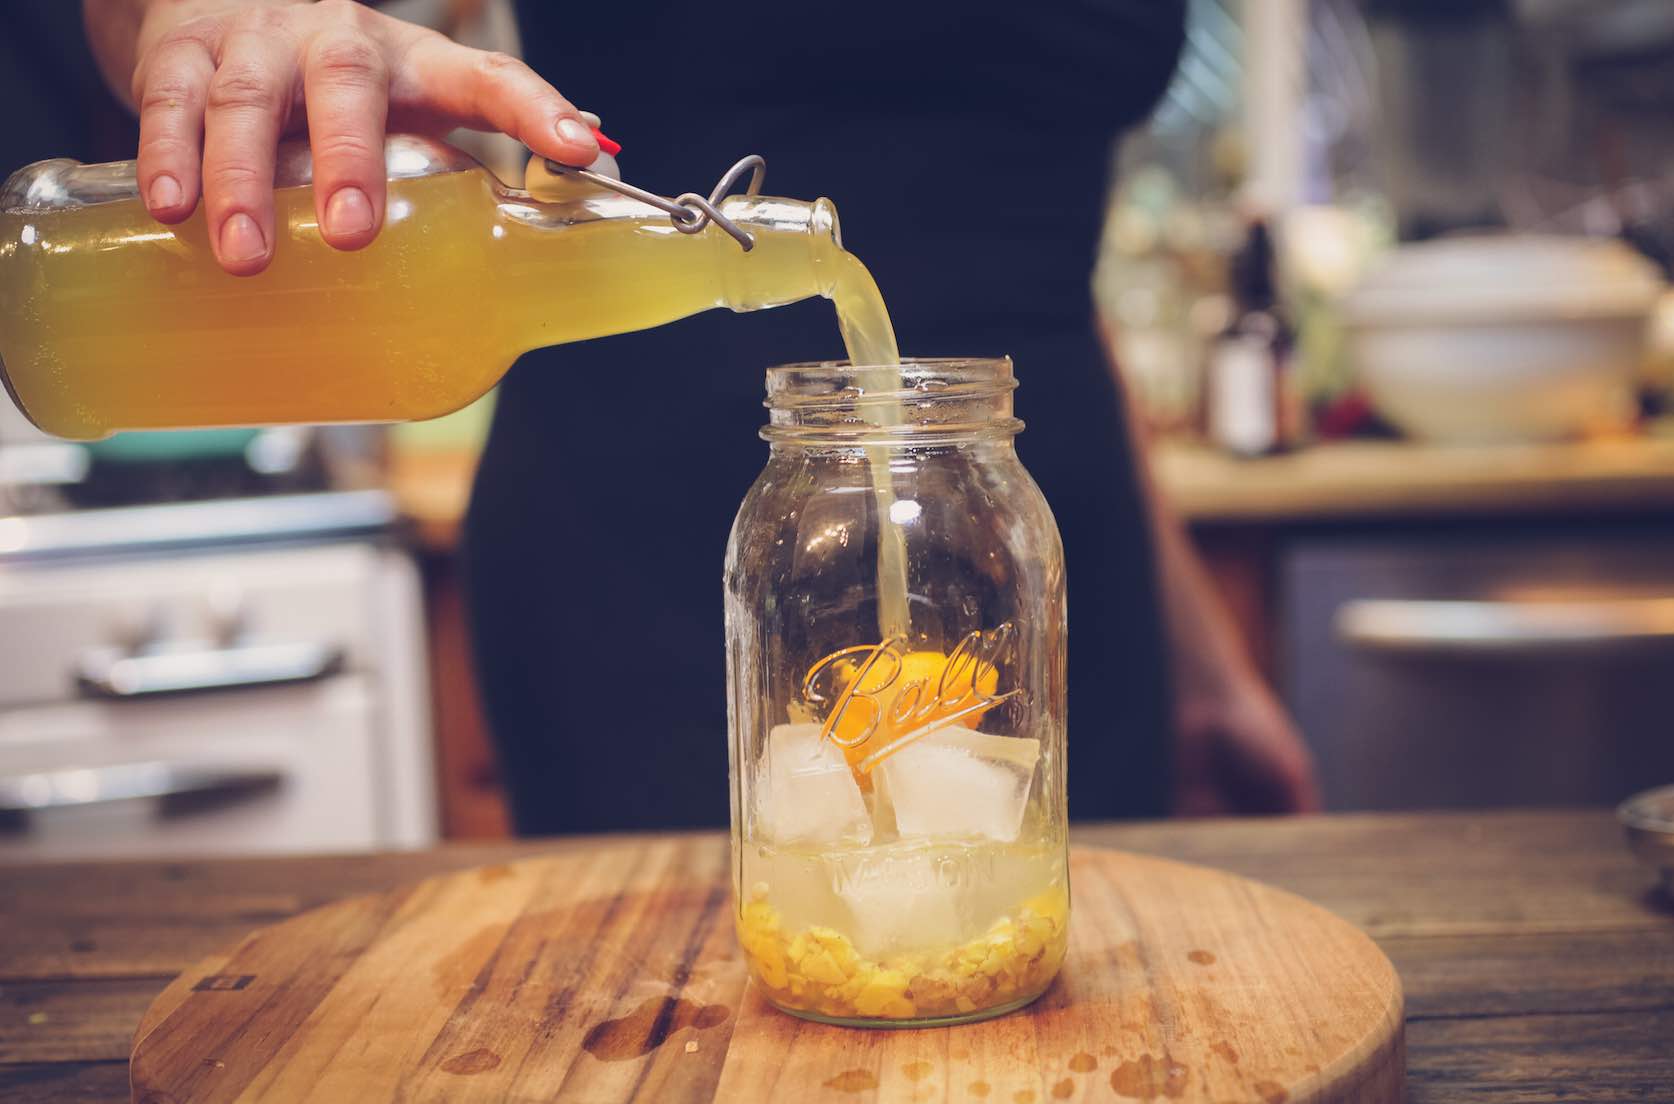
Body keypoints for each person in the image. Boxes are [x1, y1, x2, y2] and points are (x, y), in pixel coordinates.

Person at [71, 0, 1319, 828]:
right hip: (651, 563)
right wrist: (226, 22)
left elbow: (1034, 271)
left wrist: (1202, 658)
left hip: (1039, 526)